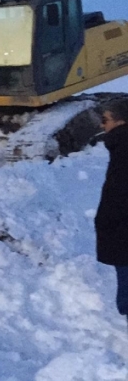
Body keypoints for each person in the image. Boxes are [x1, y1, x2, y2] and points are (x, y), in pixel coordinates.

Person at [95, 99, 128, 322]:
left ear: (120, 121)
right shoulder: (121, 146)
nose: (101, 125)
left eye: (104, 120)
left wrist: (106, 223)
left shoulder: (123, 149)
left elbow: (118, 196)